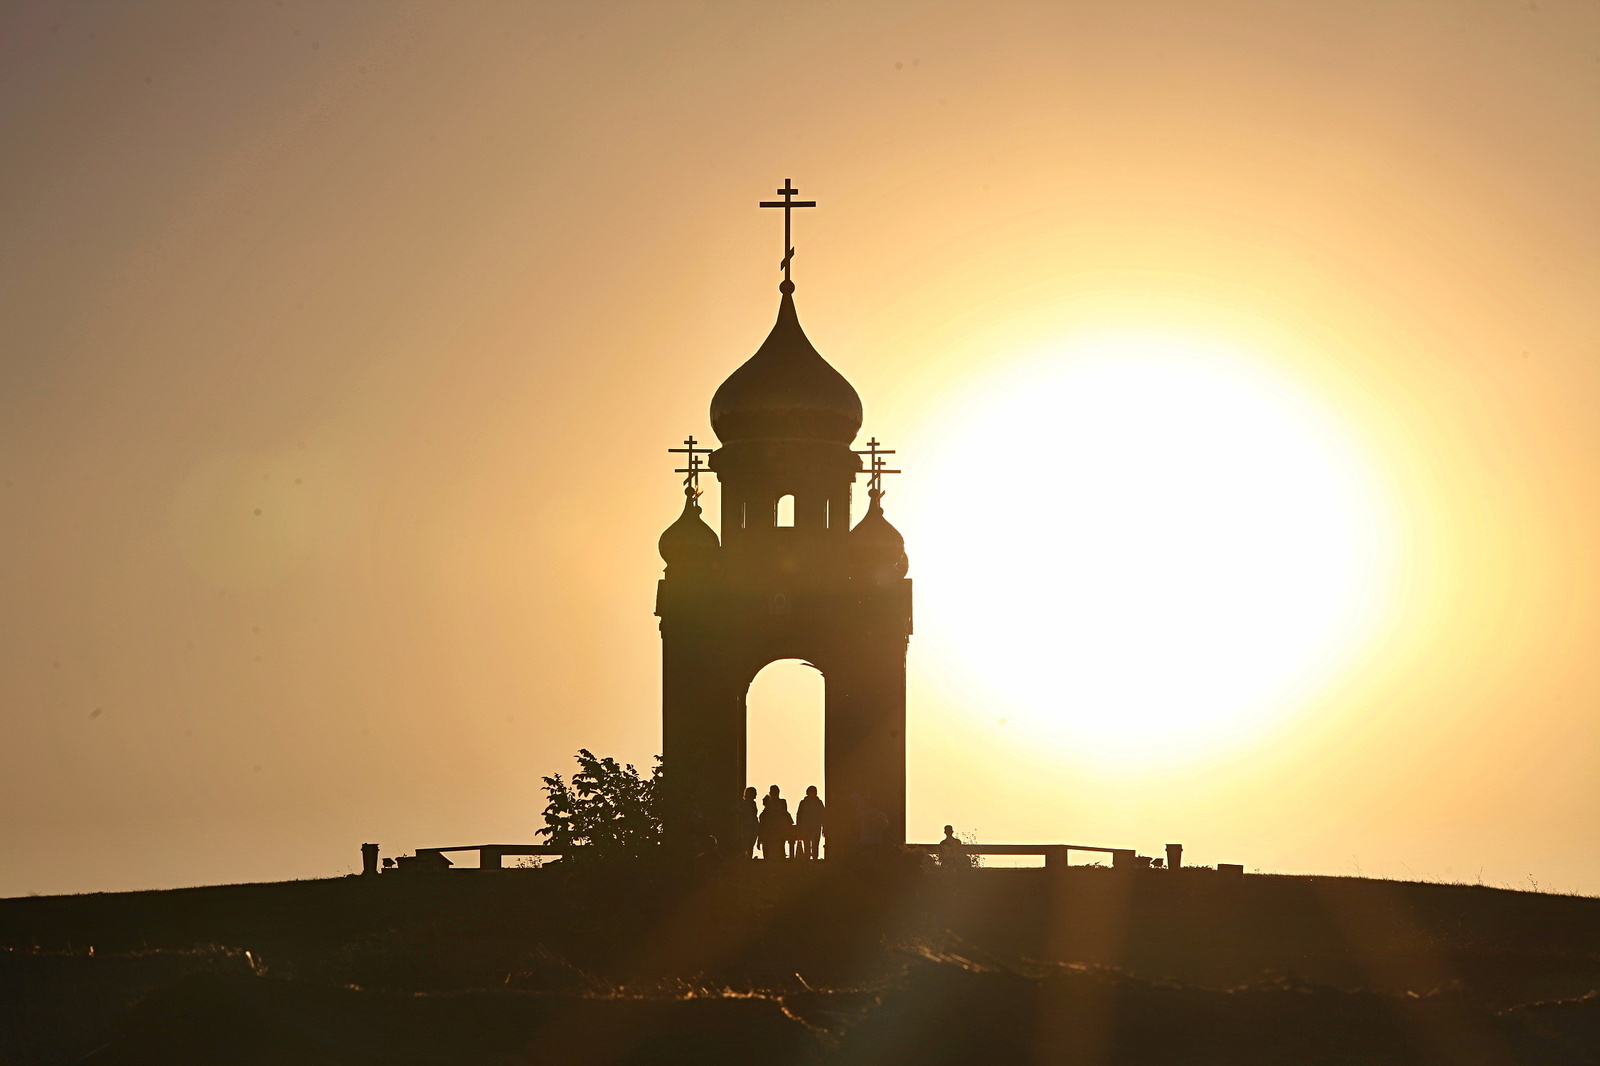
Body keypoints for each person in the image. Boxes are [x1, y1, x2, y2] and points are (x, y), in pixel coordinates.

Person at [758, 784, 792, 860]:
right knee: (772, 846)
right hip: (771, 828)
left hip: (778, 827)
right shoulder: (773, 803)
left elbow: (784, 812)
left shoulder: (781, 802)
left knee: (779, 846)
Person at [795, 785, 826, 860]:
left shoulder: (817, 803)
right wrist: (799, 826)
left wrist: (824, 826)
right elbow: (799, 815)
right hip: (807, 826)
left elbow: (823, 815)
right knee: (807, 844)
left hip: (815, 826)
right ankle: (808, 858)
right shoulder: (805, 803)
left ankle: (814, 858)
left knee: (815, 844)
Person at [735, 786, 759, 859]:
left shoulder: (753, 803)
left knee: (751, 843)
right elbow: (734, 809)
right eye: (755, 793)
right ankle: (743, 857)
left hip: (754, 824)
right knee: (746, 842)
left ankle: (749, 857)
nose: (756, 794)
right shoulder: (743, 803)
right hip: (747, 825)